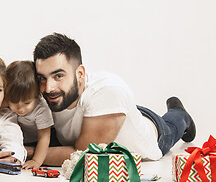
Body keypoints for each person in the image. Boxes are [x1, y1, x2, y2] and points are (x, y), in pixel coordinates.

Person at [28, 32, 196, 166]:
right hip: (103, 115)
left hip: (151, 134)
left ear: (80, 74)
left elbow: (82, 155)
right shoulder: (47, 91)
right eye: (42, 78)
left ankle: (179, 112)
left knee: (174, 123)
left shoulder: (107, 92)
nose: (48, 88)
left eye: (58, 76)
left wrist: (24, 152)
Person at [4, 61, 54, 169]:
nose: (20, 109)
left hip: (42, 138)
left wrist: (36, 161)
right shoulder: (7, 100)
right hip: (22, 138)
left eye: (26, 103)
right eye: (14, 103)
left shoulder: (41, 108)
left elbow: (44, 137)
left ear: (37, 95)